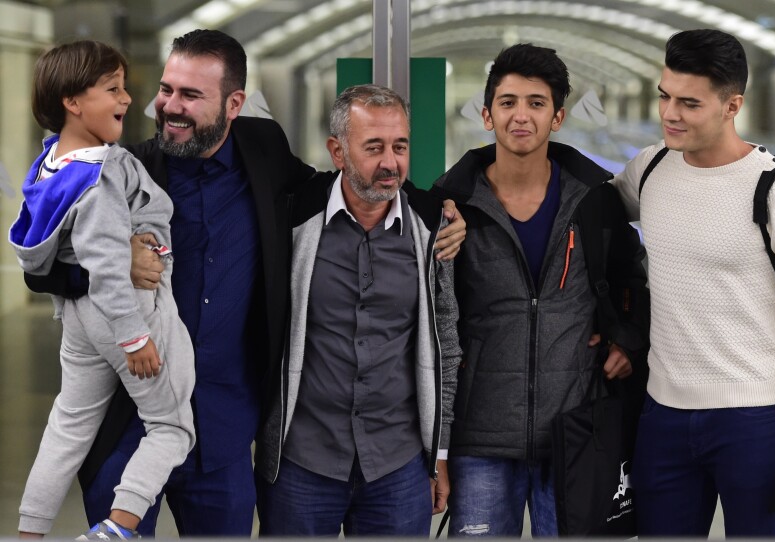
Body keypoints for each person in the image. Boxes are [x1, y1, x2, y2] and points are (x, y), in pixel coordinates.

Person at [22, 30, 466, 536]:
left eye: (190, 95)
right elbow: (40, 266)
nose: (168, 106)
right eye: (167, 89)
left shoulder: (265, 151)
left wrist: (443, 208)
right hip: (132, 426)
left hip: (225, 436)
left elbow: (347, 184)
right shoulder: (127, 171)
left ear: (234, 104)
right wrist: (108, 265)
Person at [610, 29, 775, 537]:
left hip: (754, 418)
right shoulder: (650, 170)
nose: (670, 113)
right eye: (664, 96)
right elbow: (583, 211)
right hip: (663, 414)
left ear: (732, 105)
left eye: (689, 103)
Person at [430, 43, 649, 537]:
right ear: (487, 115)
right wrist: (437, 448)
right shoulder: (451, 205)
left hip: (575, 435)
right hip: (479, 439)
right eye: (507, 103)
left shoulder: (593, 202)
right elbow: (432, 319)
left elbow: (630, 276)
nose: (520, 116)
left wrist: (626, 338)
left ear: (558, 117)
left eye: (536, 103)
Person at [254, 84, 462, 537]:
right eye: (374, 147)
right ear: (338, 151)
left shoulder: (432, 227)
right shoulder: (291, 218)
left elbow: (447, 344)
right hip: (302, 464)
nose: (391, 163)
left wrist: (439, 451)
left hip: (399, 467)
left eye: (400, 146)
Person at [9, 41, 195, 540]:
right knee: (172, 427)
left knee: (68, 426)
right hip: (127, 314)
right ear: (73, 101)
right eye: (112, 89)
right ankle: (120, 525)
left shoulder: (52, 163)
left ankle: (29, 531)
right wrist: (135, 337)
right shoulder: (101, 175)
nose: (129, 99)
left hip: (78, 319)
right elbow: (110, 267)